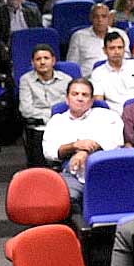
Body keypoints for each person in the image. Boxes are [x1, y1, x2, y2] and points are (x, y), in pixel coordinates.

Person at [41, 77, 124, 212]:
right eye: (75, 94)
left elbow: (115, 140)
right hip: (71, 173)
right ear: (67, 99)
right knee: (64, 201)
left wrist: (85, 151)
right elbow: (49, 152)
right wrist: (75, 146)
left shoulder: (107, 116)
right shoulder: (57, 121)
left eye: (84, 95)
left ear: (91, 101)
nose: (79, 98)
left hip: (104, 173)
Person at [18, 43, 72, 166]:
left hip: (63, 124)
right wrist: (51, 116)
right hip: (39, 125)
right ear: (32, 63)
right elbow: (25, 109)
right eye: (38, 59)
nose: (42, 62)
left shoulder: (66, 80)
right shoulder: (25, 80)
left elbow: (71, 105)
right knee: (38, 138)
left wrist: (56, 119)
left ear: (53, 61)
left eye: (46, 58)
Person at [0, 0, 41, 75]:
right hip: (9, 50)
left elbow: (40, 33)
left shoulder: (33, 11)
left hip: (30, 47)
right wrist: (4, 48)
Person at [91, 32, 134, 115]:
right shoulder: (98, 73)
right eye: (112, 48)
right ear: (105, 50)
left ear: (124, 49)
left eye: (120, 47)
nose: (117, 51)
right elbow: (99, 102)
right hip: (117, 116)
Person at [66, 3, 128, 76]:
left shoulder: (121, 34)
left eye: (104, 16)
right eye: (96, 17)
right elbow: (72, 66)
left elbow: (127, 60)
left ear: (109, 18)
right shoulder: (79, 36)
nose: (100, 20)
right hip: (89, 80)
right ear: (91, 18)